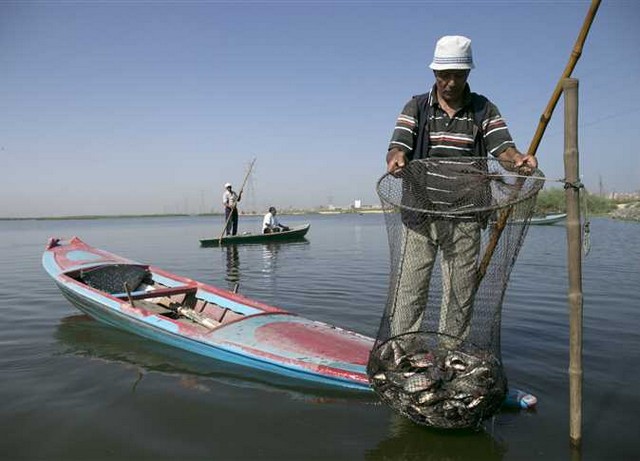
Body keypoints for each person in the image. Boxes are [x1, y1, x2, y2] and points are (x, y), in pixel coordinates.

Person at [385, 35, 538, 342]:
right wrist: (397, 159)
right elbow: (397, 145)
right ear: (434, 74)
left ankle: (450, 353)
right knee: (411, 288)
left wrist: (519, 160)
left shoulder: (483, 109)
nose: (451, 83)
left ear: (468, 74)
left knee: (459, 292)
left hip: (467, 215)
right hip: (420, 213)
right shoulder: (416, 107)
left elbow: (504, 149)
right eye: (444, 75)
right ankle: (403, 350)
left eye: (458, 75)